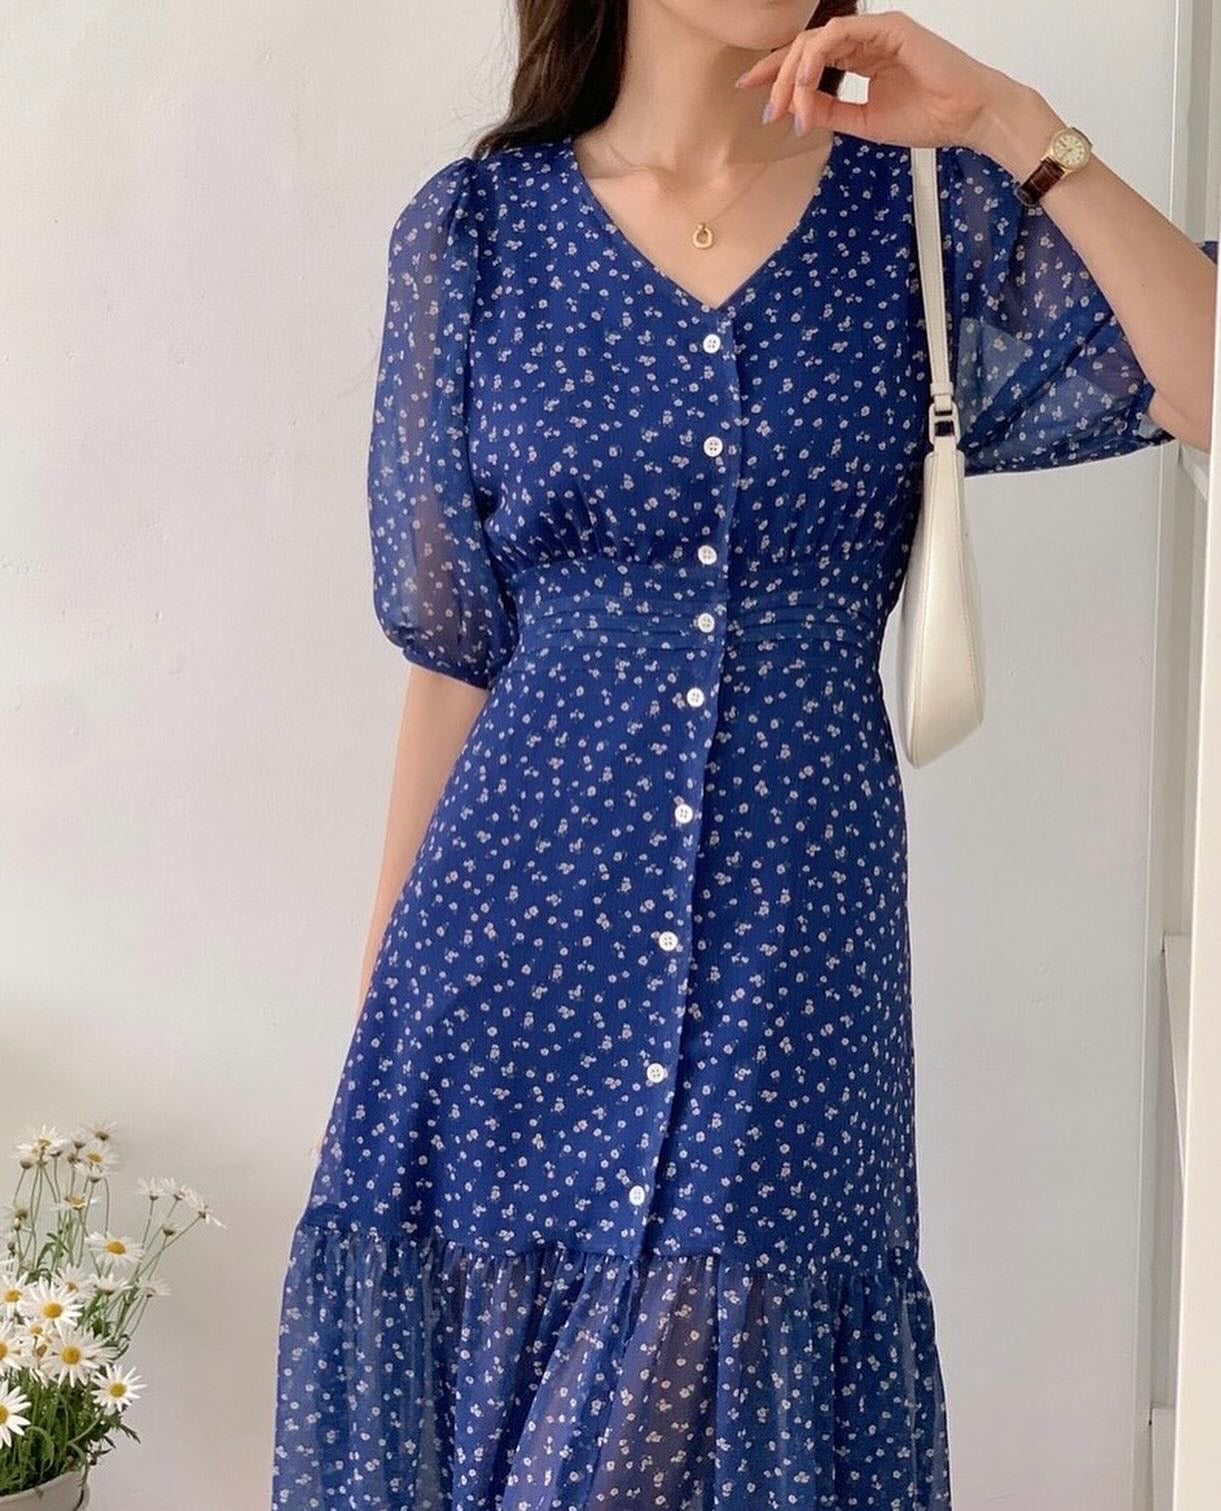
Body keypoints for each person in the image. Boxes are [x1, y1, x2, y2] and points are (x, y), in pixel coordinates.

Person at [270, 4, 1218, 1507]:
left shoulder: (921, 216)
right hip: (502, 975)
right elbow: (451, 667)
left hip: (795, 972)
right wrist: (382, 1031)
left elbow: (1205, 381)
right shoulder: (474, 235)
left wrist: (1006, 122)